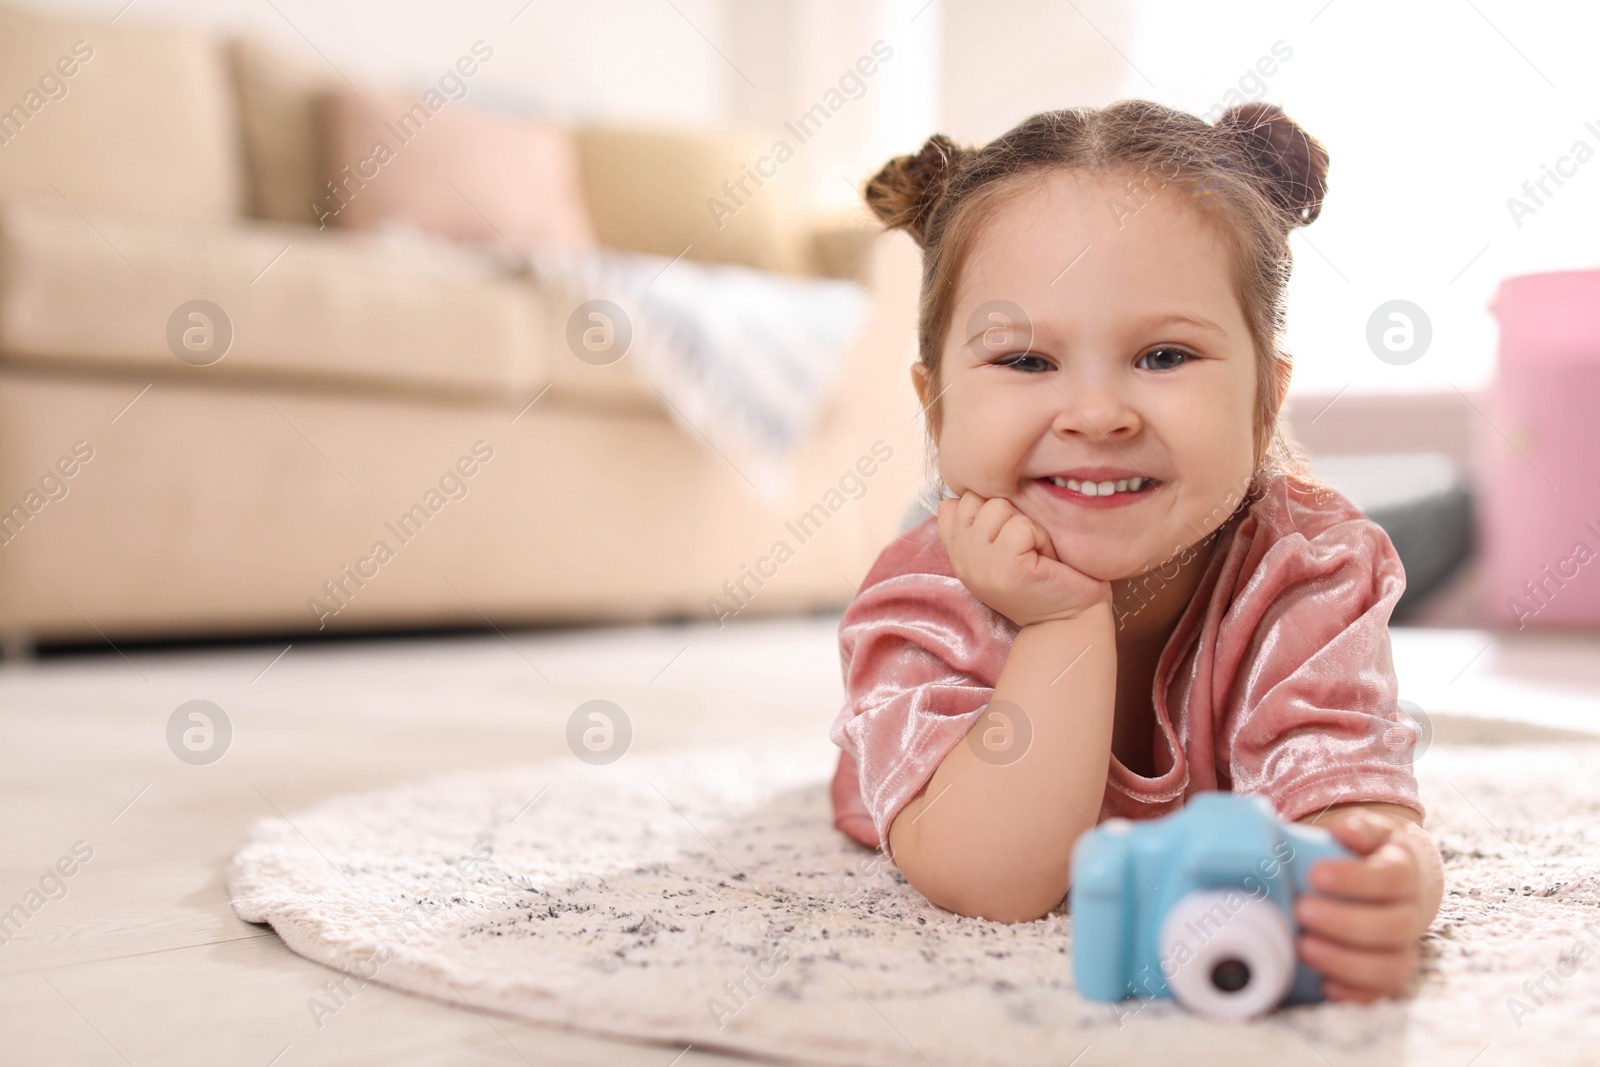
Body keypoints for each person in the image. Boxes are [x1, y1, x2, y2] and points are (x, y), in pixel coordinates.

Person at [827, 100, 1444, 1003]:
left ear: (1266, 402)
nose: (1098, 414)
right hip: (943, 749)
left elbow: (1339, 783)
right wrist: (1061, 620)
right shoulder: (928, 594)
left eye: (1162, 355)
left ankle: (1452, 517)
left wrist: (1386, 870)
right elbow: (996, 882)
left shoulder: (1305, 567)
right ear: (937, 407)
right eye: (1027, 362)